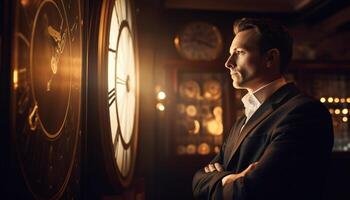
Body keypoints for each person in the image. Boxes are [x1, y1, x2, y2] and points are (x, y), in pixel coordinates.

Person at [192, 18, 334, 200]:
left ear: (270, 58)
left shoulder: (305, 112)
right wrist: (229, 179)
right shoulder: (244, 119)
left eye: (239, 52)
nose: (228, 62)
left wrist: (217, 181)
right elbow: (198, 181)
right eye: (230, 53)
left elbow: (253, 191)